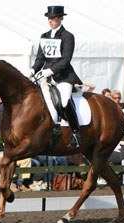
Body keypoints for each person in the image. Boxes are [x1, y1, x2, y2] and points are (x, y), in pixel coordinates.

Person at [30, 5, 82, 148]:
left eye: (53, 18)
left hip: (63, 76)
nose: (50, 21)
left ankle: (76, 133)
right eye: (49, 18)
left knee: (64, 102)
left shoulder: (68, 36)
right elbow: (40, 59)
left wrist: (51, 71)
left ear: (60, 18)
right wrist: (32, 70)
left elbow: (66, 60)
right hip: (45, 75)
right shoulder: (44, 36)